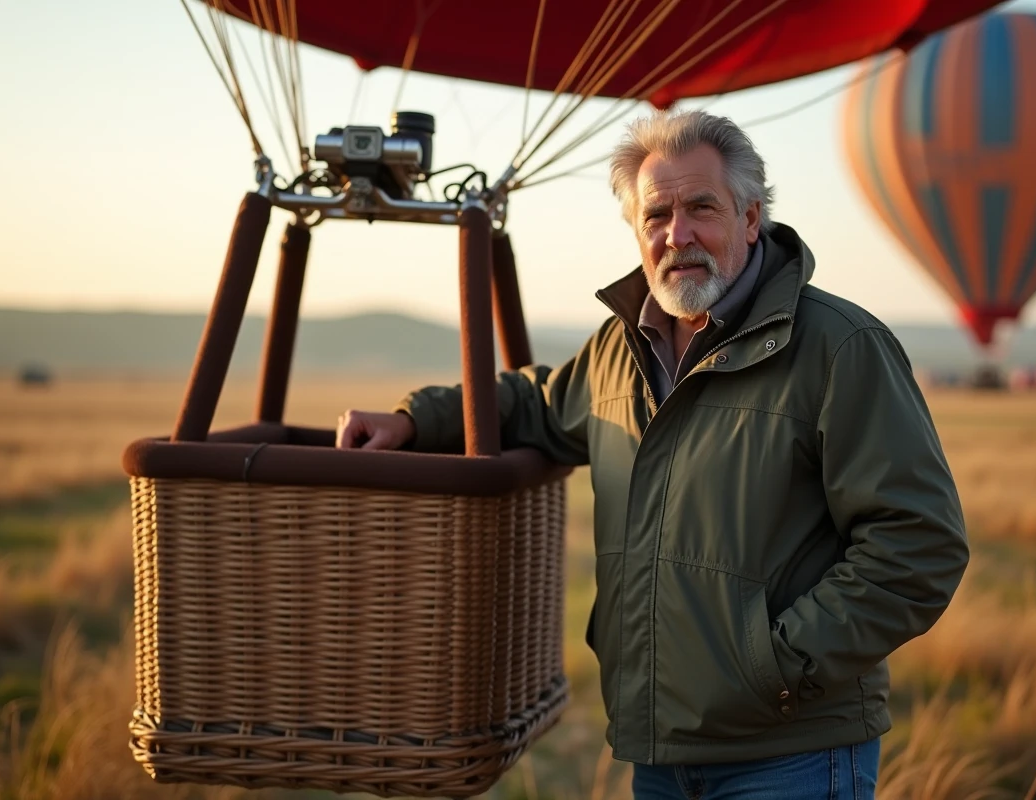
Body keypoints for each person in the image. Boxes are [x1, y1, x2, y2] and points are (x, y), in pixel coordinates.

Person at [336, 110, 969, 799]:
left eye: (702, 208)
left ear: (752, 218)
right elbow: (533, 403)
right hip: (660, 754)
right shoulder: (619, 351)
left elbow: (919, 545)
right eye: (657, 215)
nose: (679, 235)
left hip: (792, 756)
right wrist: (412, 419)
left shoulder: (839, 348)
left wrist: (775, 666)